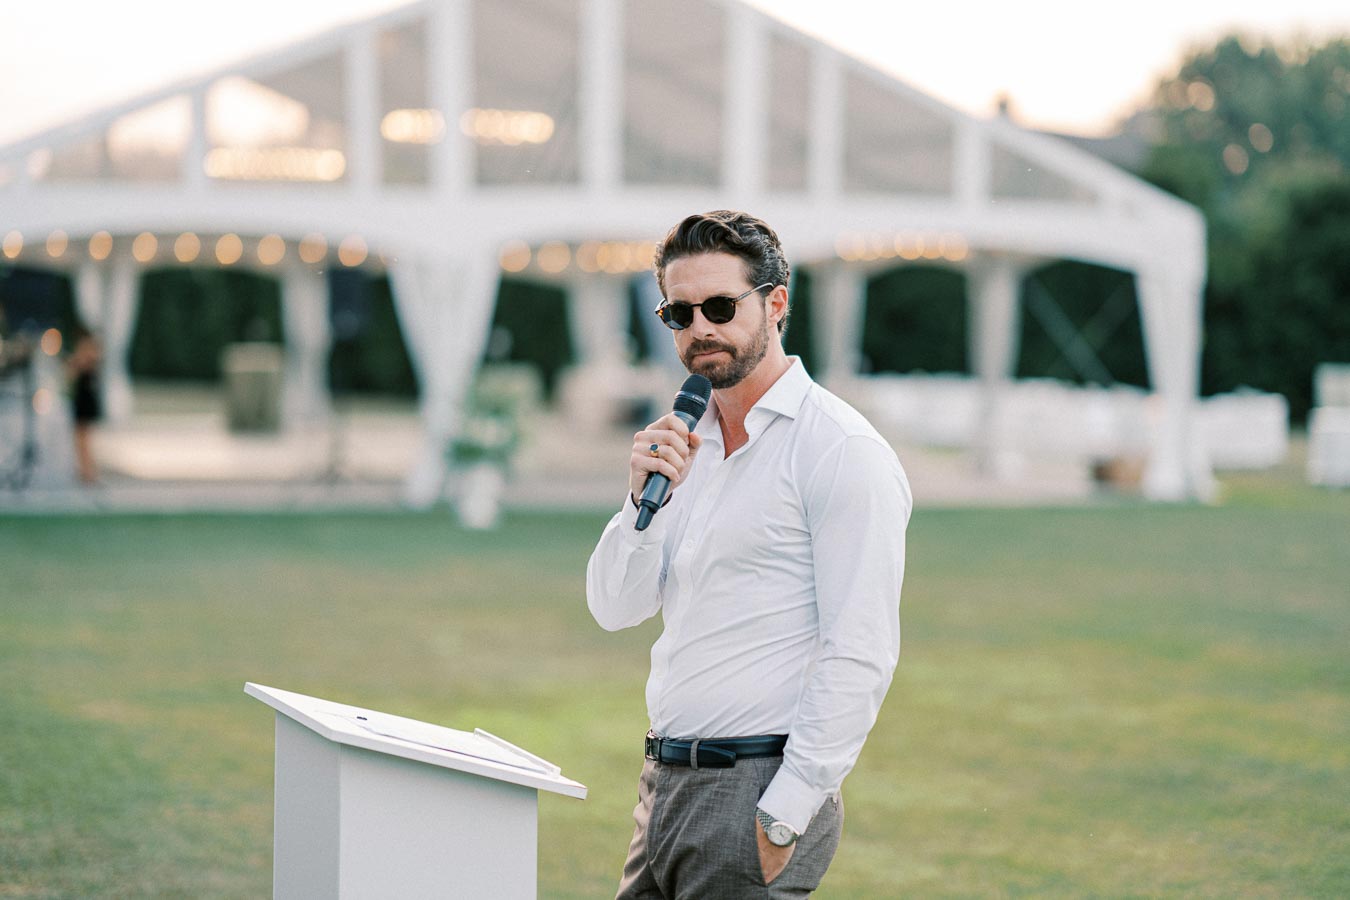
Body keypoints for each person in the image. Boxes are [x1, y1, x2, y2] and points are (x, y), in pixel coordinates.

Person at [586, 210, 912, 898]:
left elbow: (861, 648)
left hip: (756, 791)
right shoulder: (680, 442)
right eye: (679, 311)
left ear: (776, 303)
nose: (699, 327)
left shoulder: (839, 451)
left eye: (720, 306)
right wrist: (640, 505)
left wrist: (784, 816)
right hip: (663, 787)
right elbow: (615, 608)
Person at [67, 329, 103, 484]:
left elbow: (73, 373)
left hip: (85, 400)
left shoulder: (88, 356)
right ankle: (85, 470)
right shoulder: (92, 355)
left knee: (84, 438)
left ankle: (88, 472)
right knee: (81, 438)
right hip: (82, 399)